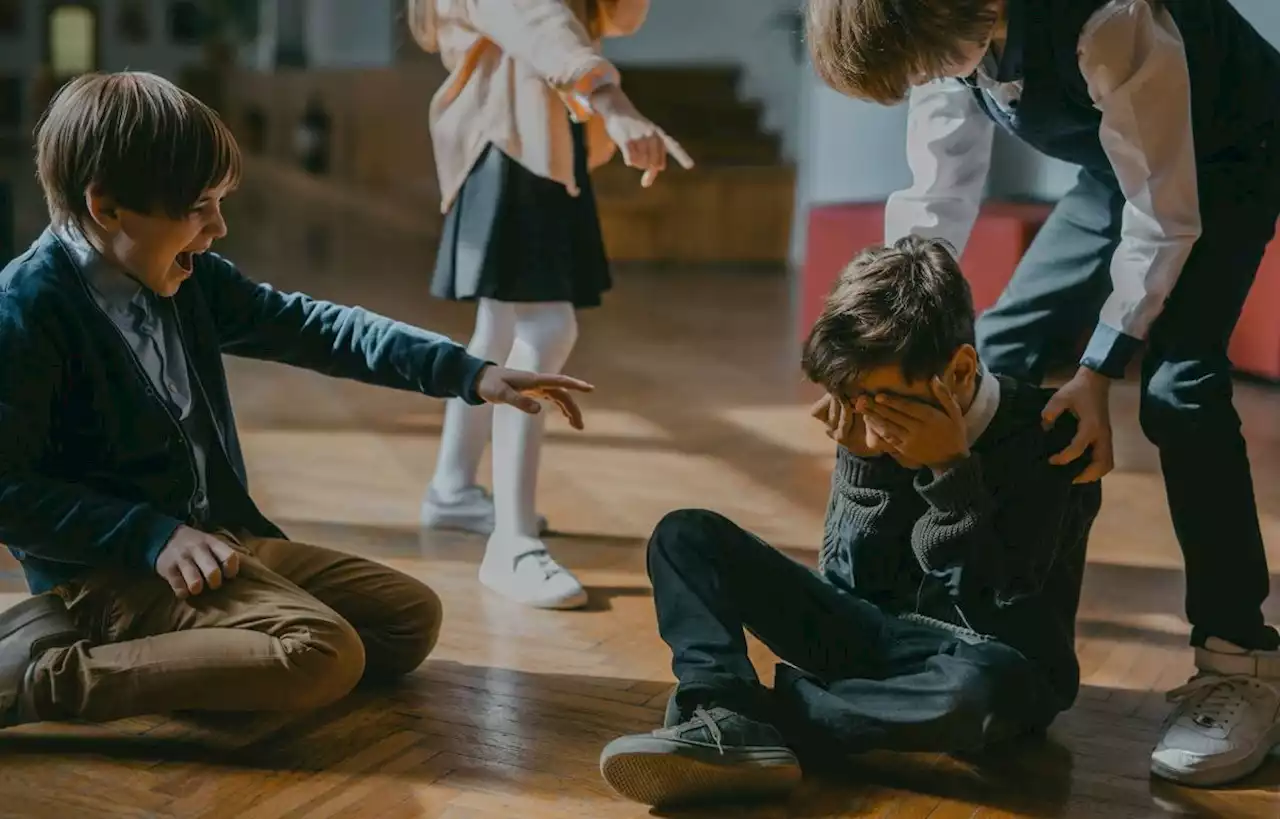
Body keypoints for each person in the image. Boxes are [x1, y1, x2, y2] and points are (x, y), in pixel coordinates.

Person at [0, 71, 593, 729]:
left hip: (218, 543)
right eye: (199, 207)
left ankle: (210, 651)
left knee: (405, 620)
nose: (218, 227)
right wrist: (151, 534)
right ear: (107, 207)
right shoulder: (26, 310)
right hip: (106, 579)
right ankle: (42, 676)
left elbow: (311, 326)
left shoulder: (182, 274)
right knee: (324, 652)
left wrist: (468, 372)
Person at [805, 0, 1280, 787]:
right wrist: (884, 327)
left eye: (928, 67)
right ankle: (968, 607)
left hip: (1234, 152)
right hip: (1116, 166)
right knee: (994, 353)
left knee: (1178, 390)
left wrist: (1097, 370)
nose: (932, 81)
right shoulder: (937, 29)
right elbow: (940, 187)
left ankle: (1242, 657)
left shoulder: (1107, 20)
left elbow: (1166, 215)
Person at [598, 236, 1102, 808]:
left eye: (886, 402)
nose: (869, 419)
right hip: (874, 641)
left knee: (982, 688)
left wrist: (950, 472)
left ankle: (755, 719)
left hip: (982, 661)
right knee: (684, 535)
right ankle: (721, 705)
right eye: (851, 399)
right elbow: (848, 589)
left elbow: (993, 611)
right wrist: (865, 467)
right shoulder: (868, 409)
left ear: (960, 370)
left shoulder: (1054, 439)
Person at [408, 0, 692, 610]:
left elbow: (615, 18)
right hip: (513, 141)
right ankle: (511, 542)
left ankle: (453, 488)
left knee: (501, 323)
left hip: (539, 138)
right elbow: (534, 15)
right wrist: (614, 104)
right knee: (547, 325)